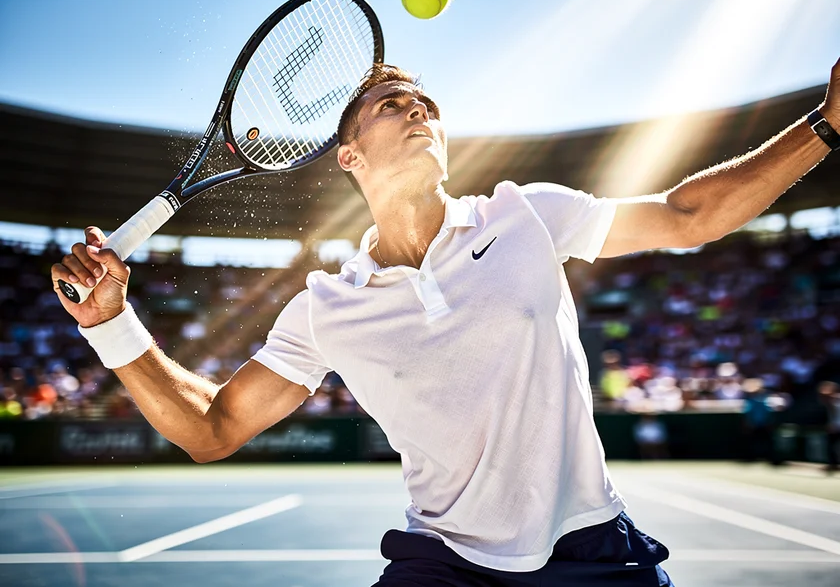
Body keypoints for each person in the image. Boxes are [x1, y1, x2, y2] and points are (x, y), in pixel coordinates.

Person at [51, 59, 840, 586]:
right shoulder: (328, 308)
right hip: (443, 567)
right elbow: (212, 429)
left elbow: (687, 215)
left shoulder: (526, 214)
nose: (416, 109)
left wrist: (829, 125)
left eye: (425, 103)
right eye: (390, 106)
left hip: (596, 549)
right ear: (349, 157)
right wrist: (111, 323)